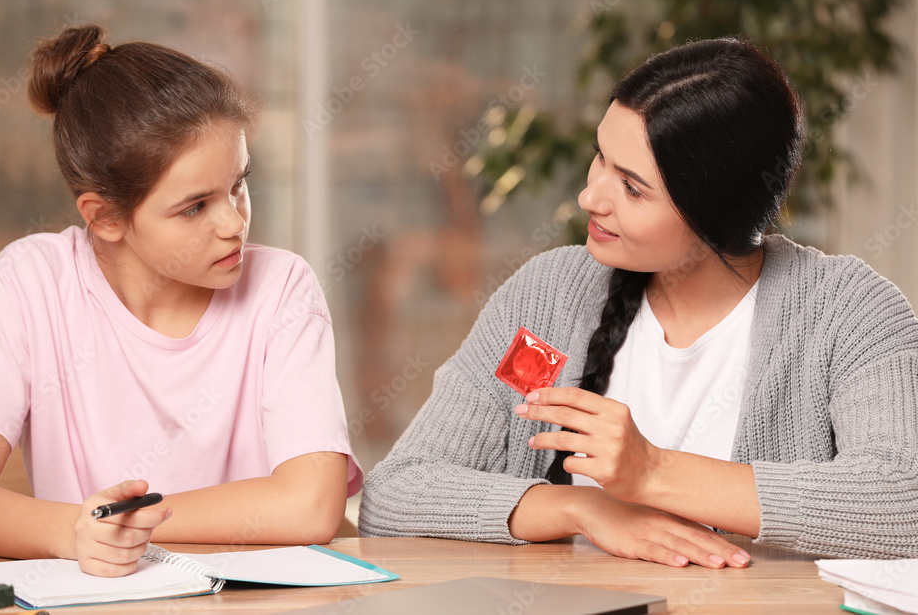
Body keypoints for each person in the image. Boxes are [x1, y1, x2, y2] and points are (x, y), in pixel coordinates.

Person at [359, 38, 918, 566]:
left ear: (713, 211)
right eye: (600, 157)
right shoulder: (547, 298)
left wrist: (651, 472)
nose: (589, 196)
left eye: (632, 188)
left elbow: (903, 504)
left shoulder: (850, 312)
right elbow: (397, 493)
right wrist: (582, 509)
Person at [0, 24, 362, 576]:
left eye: (238, 185)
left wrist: (119, 521)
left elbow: (312, 506)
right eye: (195, 206)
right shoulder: (29, 281)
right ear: (104, 217)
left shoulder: (283, 288)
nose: (234, 224)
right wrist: (72, 531)